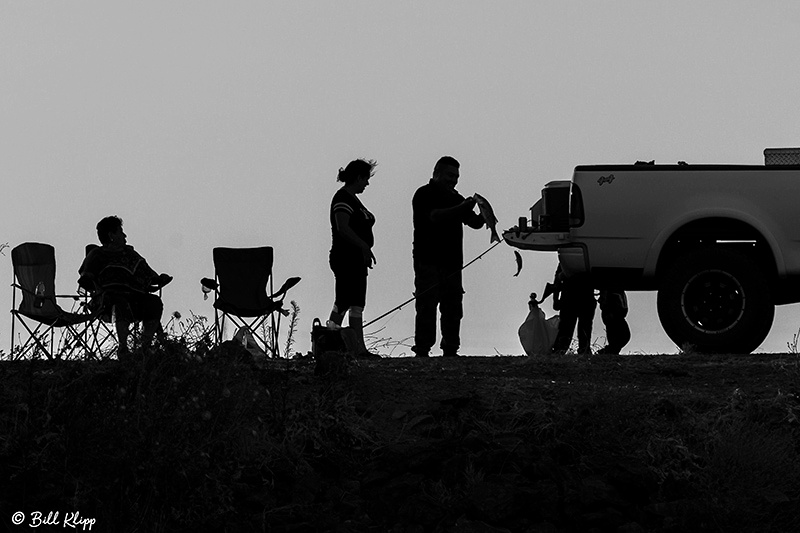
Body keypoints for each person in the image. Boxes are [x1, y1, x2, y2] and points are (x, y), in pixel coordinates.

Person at [412, 156, 484, 357]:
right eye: (450, 175)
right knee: (427, 306)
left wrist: (484, 213)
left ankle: (451, 349)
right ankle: (422, 350)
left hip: (452, 263)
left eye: (456, 176)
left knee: (452, 308)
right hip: (427, 261)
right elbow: (435, 216)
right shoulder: (423, 194)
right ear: (437, 173)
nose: (453, 180)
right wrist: (465, 206)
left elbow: (475, 223)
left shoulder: (457, 198)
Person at [78, 216, 172, 358]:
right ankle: (123, 348)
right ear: (111, 235)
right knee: (120, 301)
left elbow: (149, 275)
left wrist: (160, 279)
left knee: (154, 302)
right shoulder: (97, 255)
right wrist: (98, 289)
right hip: (107, 303)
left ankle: (144, 347)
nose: (125, 236)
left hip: (135, 300)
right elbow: (86, 280)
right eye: (120, 232)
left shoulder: (130, 254)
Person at [327, 158, 377, 356]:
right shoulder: (343, 198)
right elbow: (342, 227)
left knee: (357, 304)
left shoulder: (353, 199)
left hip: (356, 261)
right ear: (358, 177)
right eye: (366, 178)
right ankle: (330, 342)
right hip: (345, 258)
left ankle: (358, 349)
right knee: (343, 301)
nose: (367, 183)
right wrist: (363, 246)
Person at [550, 265, 596, 355]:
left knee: (569, 327)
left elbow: (557, 280)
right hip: (581, 298)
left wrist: (555, 299)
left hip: (573, 298)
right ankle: (582, 350)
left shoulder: (567, 260)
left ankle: (561, 350)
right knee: (578, 327)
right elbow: (558, 279)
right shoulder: (589, 259)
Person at [596, 289, 631, 354]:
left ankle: (609, 351)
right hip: (612, 313)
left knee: (621, 337)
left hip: (617, 314)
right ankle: (609, 351)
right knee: (622, 336)